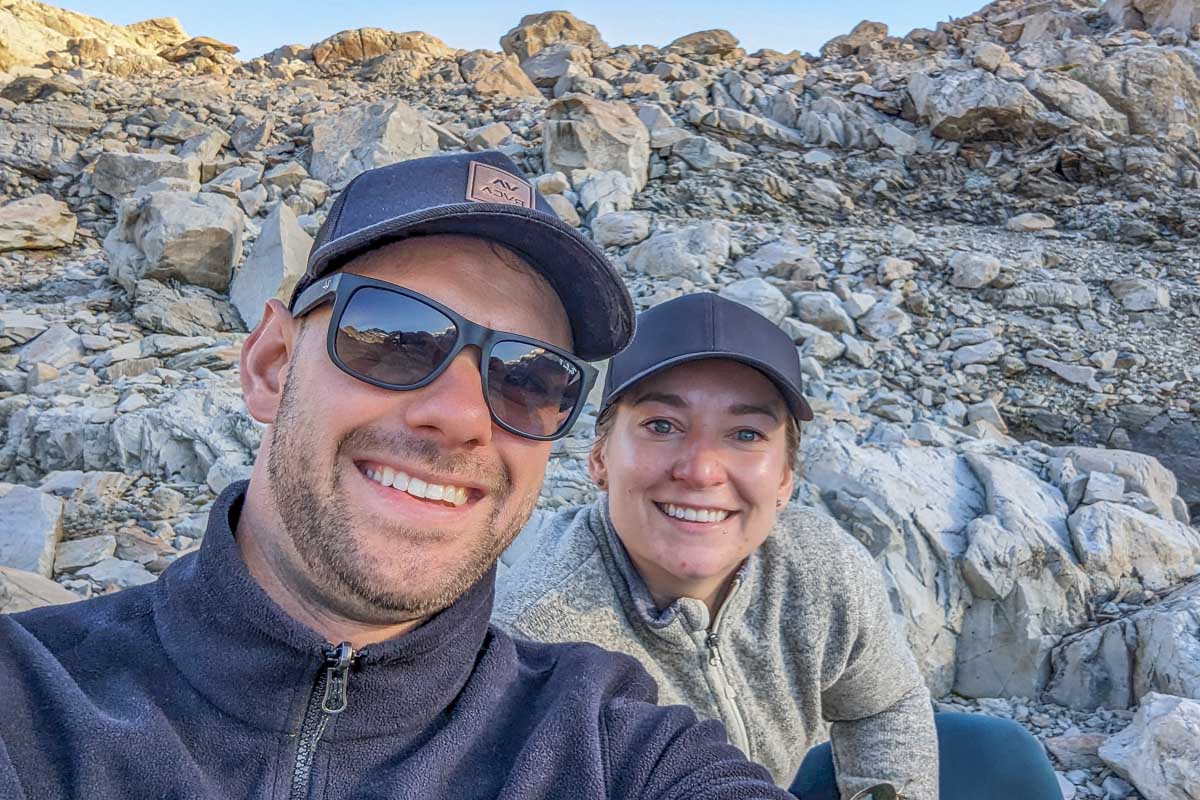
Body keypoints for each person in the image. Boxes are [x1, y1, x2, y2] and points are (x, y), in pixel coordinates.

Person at [0, 152, 799, 800]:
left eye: (529, 377)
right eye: (395, 337)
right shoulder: (29, 702)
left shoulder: (612, 745)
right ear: (271, 364)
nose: (461, 417)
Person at [494, 293, 1066, 800]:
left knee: (991, 753)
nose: (701, 470)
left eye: (746, 434)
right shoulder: (536, 642)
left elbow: (883, 706)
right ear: (599, 457)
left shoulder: (820, 564)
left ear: (786, 479)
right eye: (662, 425)